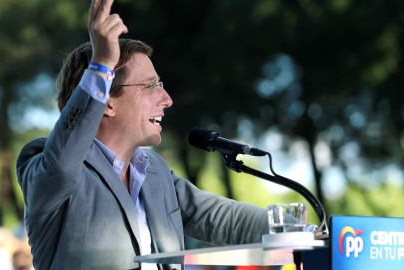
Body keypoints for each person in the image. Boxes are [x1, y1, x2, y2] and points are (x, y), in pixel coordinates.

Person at [16, 0, 269, 269]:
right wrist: (101, 65)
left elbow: (220, 217)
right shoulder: (45, 162)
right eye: (150, 86)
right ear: (108, 102)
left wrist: (300, 229)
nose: (167, 99)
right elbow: (63, 164)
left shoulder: (155, 171)